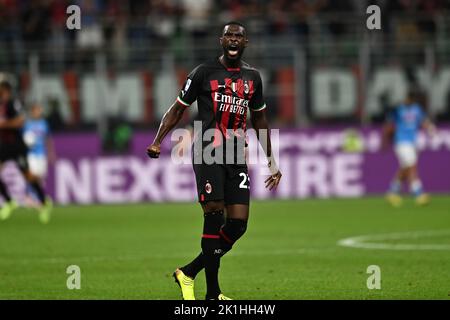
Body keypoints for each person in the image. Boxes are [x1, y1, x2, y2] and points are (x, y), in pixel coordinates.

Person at [146, 22, 282, 300]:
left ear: (246, 43)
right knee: (214, 215)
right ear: (221, 40)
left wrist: (272, 160)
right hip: (208, 151)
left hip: (236, 153)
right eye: (229, 35)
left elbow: (260, 120)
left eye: (239, 36)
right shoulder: (202, 73)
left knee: (238, 224)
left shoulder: (253, 77)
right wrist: (158, 139)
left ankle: (188, 271)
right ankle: (213, 293)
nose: (234, 39)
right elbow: (177, 110)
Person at [0, 81, 52, 223]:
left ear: (6, 91)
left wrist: (3, 124)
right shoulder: (1, 105)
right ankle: (9, 202)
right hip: (4, 145)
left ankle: (43, 202)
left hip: (16, 146)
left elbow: (20, 121)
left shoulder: (12, 103)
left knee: (28, 176)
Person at [383, 90, 436, 207]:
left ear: (412, 100)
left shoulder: (417, 109)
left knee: (405, 168)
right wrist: (386, 139)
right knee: (412, 165)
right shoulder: (398, 110)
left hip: (412, 142)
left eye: (409, 99)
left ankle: (393, 191)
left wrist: (430, 128)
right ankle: (418, 193)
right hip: (401, 142)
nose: (407, 101)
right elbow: (389, 124)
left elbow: (423, 121)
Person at [22, 103, 56, 210]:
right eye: (36, 110)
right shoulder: (27, 124)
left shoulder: (44, 124)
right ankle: (28, 197)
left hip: (42, 154)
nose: (38, 112)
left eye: (39, 110)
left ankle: (38, 198)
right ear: (32, 111)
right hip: (31, 154)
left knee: (40, 178)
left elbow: (48, 139)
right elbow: (22, 139)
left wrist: (51, 153)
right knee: (32, 175)